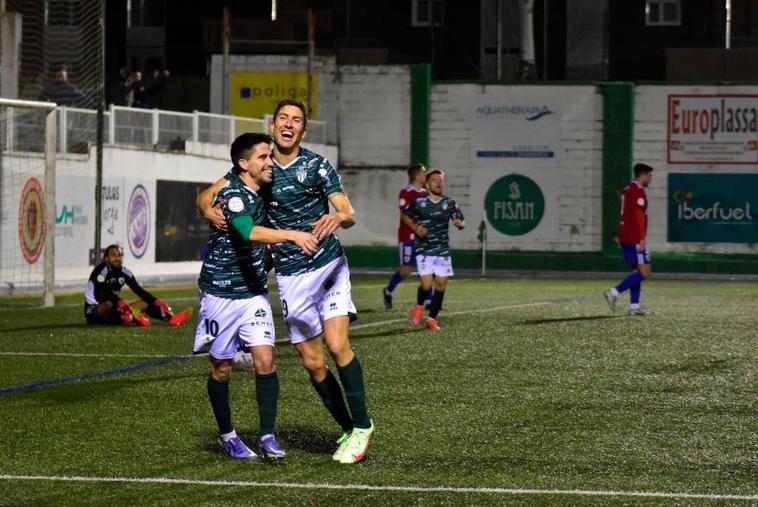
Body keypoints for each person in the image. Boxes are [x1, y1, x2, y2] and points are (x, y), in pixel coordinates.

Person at [198, 99, 374, 464]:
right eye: (282, 118)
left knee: (338, 345)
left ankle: (362, 426)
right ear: (274, 124)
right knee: (313, 363)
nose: (288, 124)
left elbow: (348, 211)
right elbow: (209, 194)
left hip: (327, 266)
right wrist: (206, 208)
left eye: (296, 120)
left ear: (303, 131)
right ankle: (349, 428)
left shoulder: (317, 165)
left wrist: (339, 218)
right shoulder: (260, 165)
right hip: (291, 276)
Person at [194, 132, 319, 460]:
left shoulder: (258, 183)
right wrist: (293, 235)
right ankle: (228, 435)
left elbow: (205, 195)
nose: (270, 162)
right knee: (221, 369)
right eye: (263, 157)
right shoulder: (235, 194)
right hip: (221, 293)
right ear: (243, 164)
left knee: (265, 360)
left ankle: (267, 435)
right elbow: (248, 231)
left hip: (253, 292)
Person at [405, 170, 465, 330]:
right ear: (427, 183)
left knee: (441, 285)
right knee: (426, 285)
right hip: (424, 249)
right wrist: (416, 227)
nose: (439, 183)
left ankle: (431, 319)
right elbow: (405, 215)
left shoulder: (450, 203)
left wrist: (459, 224)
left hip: (442, 250)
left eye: (441, 180)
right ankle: (419, 306)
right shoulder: (418, 201)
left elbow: (460, 221)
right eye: (434, 180)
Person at [84, 244, 192, 327]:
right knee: (109, 304)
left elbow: (139, 291)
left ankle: (171, 318)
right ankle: (131, 317)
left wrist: (157, 301)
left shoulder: (125, 272)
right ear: (106, 258)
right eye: (113, 255)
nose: (117, 258)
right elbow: (105, 292)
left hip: (115, 309)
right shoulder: (101, 271)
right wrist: (122, 304)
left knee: (145, 303)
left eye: (119, 255)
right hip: (94, 311)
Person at [604, 163, 653, 316]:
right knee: (645, 271)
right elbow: (638, 216)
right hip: (634, 237)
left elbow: (625, 214)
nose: (650, 179)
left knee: (636, 271)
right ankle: (613, 292)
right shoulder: (637, 192)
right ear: (642, 175)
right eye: (649, 176)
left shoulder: (627, 190)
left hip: (627, 236)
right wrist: (641, 238)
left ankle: (634, 306)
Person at [382, 163, 429, 310]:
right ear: (417, 175)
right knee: (406, 270)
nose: (426, 176)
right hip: (407, 236)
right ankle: (388, 290)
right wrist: (415, 227)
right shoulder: (406, 192)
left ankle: (428, 301)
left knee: (426, 269)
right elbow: (403, 215)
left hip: (422, 238)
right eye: (424, 173)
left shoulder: (425, 193)